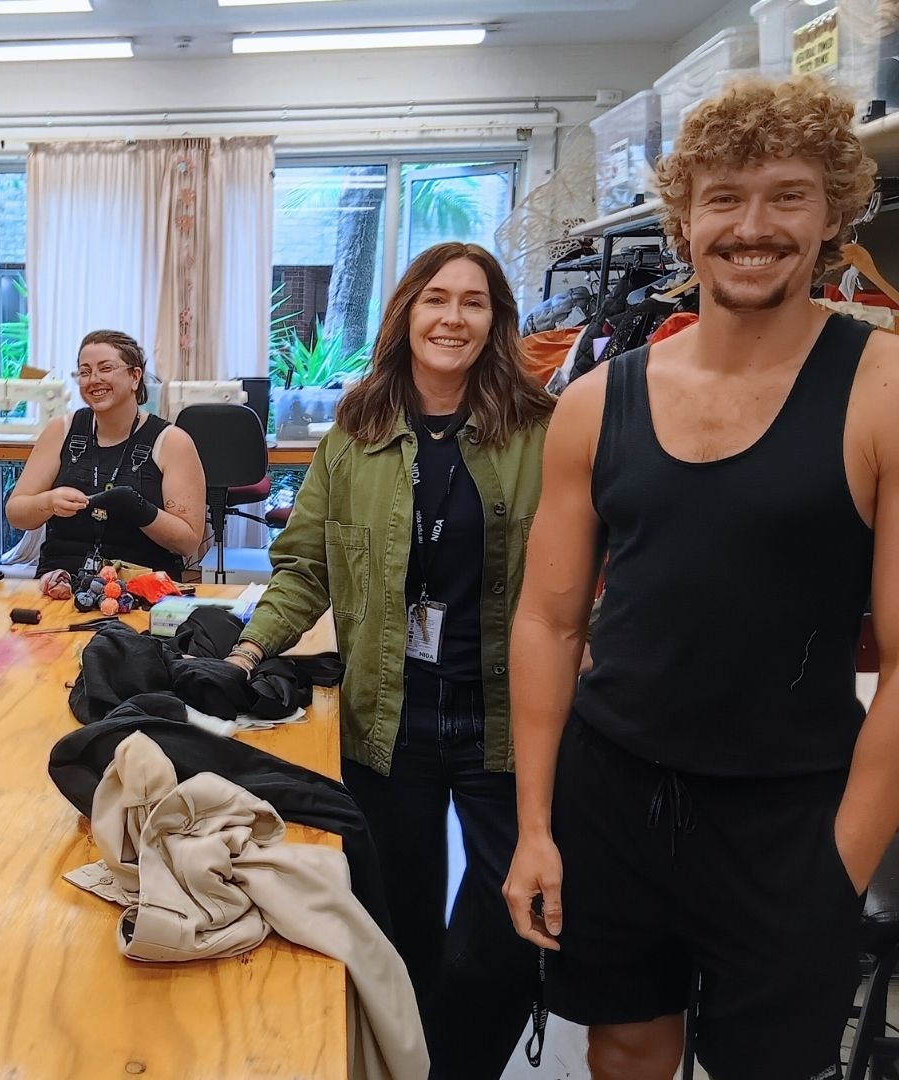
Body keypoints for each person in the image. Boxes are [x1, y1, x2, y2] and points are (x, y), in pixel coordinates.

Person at [503, 76, 899, 1080]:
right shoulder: (595, 403)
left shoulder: (882, 391)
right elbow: (548, 624)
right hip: (612, 789)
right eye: (722, 197)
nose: (751, 226)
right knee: (626, 1042)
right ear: (682, 220)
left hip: (788, 813)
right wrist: (536, 827)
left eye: (786, 195)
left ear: (833, 211)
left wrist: (838, 865)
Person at [230, 242, 555, 1077]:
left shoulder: (541, 432)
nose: (453, 317)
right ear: (406, 313)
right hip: (389, 717)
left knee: (506, 936)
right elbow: (305, 566)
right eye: (436, 299)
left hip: (505, 725)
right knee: (397, 922)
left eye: (473, 302)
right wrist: (247, 649)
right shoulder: (353, 436)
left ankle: (458, 1061)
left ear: (496, 320)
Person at [6, 329, 206, 577]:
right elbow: (16, 512)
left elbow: (188, 543)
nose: (93, 380)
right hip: (59, 583)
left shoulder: (173, 442)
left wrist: (138, 508)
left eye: (106, 368)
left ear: (135, 377)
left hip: (142, 587)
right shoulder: (61, 430)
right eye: (85, 371)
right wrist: (48, 502)